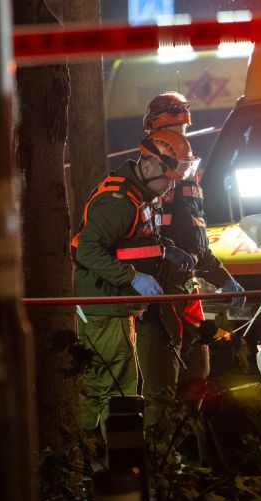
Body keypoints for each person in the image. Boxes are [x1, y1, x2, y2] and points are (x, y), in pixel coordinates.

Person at [71, 128, 195, 439]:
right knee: (116, 390)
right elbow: (87, 250)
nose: (170, 185)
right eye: (167, 177)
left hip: (111, 305)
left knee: (104, 385)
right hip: (104, 307)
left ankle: (89, 458)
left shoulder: (138, 195)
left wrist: (165, 251)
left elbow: (129, 243)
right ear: (150, 165)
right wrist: (133, 278)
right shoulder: (120, 201)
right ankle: (110, 465)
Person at [139, 92, 245, 441]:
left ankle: (185, 463)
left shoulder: (188, 183)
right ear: (152, 132)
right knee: (160, 391)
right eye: (169, 129)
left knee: (196, 379)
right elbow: (121, 244)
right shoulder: (140, 183)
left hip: (187, 294)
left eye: (182, 128)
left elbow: (196, 244)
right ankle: (160, 470)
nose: (178, 138)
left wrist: (222, 277)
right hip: (154, 300)